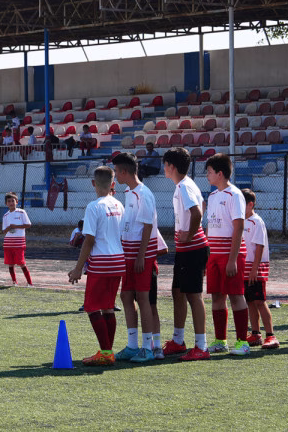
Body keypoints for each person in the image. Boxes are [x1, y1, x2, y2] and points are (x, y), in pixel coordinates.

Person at [112, 152, 167, 363]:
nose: (115, 175)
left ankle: (148, 348)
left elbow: (147, 226)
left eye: (117, 171)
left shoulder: (144, 194)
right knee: (126, 296)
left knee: (143, 298)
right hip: (129, 252)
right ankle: (133, 346)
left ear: (124, 171)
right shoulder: (129, 191)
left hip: (139, 254)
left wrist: (142, 256)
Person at [67, 166, 125, 366]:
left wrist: (77, 269)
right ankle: (107, 351)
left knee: (92, 307)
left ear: (93, 183)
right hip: (119, 261)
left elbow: (89, 240)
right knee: (108, 307)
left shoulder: (94, 206)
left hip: (101, 262)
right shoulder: (119, 204)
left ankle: (106, 352)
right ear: (113, 184)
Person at [160, 148, 211, 361]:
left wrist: (190, 235)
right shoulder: (186, 185)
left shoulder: (183, 186)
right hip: (187, 249)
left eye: (165, 164)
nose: (163, 168)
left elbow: (197, 212)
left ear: (171, 166)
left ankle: (202, 346)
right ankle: (178, 341)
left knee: (193, 295)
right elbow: (202, 206)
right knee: (178, 292)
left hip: (193, 249)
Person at [203, 153, 251, 356]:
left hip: (230, 254)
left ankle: (242, 342)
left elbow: (238, 226)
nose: (207, 176)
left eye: (210, 172)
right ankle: (221, 340)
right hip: (214, 253)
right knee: (216, 296)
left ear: (220, 174)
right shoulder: (213, 196)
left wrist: (232, 259)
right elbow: (210, 227)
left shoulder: (235, 194)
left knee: (236, 296)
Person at [241, 188, 278, 349]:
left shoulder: (256, 221)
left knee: (259, 301)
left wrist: (255, 268)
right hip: (244, 267)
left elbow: (260, 246)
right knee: (249, 301)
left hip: (256, 267)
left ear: (250, 204)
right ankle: (255, 334)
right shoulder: (240, 221)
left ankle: (271, 335)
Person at [2, 192, 33, 286]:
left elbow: (28, 225)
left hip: (19, 243)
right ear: (6, 203)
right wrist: (9, 228)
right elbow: (4, 231)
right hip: (8, 243)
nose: (11, 203)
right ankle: (14, 282)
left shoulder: (21, 212)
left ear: (17, 202)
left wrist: (16, 226)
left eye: (13, 201)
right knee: (10, 264)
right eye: (9, 201)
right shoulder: (5, 215)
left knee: (22, 263)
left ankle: (30, 283)